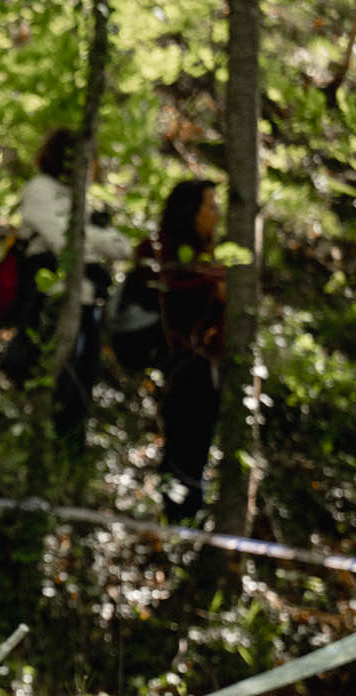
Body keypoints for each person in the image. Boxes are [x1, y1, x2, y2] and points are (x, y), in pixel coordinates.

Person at [1, 127, 133, 452]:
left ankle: (69, 452)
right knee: (49, 376)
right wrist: (93, 244)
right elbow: (62, 240)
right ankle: (37, 451)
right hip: (51, 300)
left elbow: (122, 247)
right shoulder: (41, 190)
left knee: (81, 383)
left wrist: (90, 240)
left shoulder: (82, 201)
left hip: (87, 304)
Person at [151, 179, 225, 523]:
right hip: (181, 364)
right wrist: (213, 287)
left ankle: (187, 517)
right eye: (210, 206)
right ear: (190, 212)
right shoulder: (165, 250)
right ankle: (173, 519)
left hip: (207, 366)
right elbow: (167, 291)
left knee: (198, 446)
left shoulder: (209, 256)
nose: (216, 214)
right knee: (182, 444)